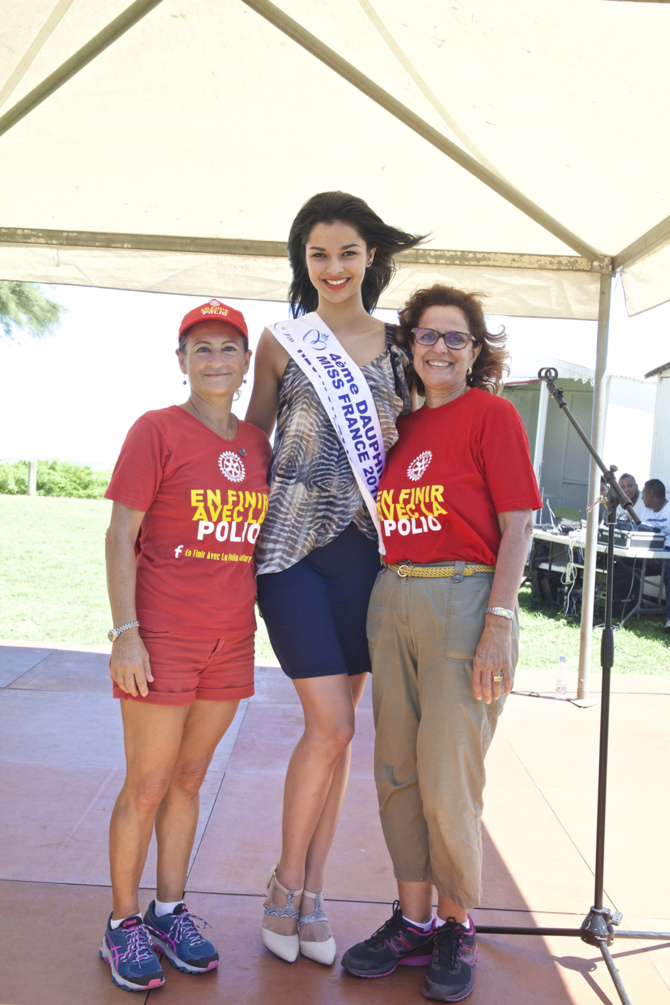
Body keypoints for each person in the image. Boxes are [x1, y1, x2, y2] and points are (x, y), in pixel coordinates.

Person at [341, 285, 542, 1002]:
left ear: (476, 350)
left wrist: (499, 621)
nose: (440, 349)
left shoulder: (492, 414)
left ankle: (457, 923)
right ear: (410, 344)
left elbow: (518, 524)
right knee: (397, 770)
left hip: (465, 596)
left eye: (457, 338)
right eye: (428, 335)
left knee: (449, 776)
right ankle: (413, 919)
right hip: (394, 593)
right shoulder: (397, 427)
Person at [245, 191, 423, 965]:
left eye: (347, 252)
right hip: (289, 553)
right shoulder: (283, 341)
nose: (334, 266)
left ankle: (313, 891)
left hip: (369, 557)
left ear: (371, 257)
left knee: (341, 731)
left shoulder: (402, 345)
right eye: (318, 254)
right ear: (303, 261)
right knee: (331, 723)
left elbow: (421, 448)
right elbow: (250, 439)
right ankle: (285, 883)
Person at [100, 299, 271, 991]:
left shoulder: (256, 444)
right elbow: (120, 534)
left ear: (246, 363)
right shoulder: (156, 429)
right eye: (202, 348)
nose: (216, 360)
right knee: (147, 783)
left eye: (228, 348)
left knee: (190, 778)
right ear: (181, 361)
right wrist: (126, 633)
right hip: (162, 634)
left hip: (230, 637)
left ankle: (169, 911)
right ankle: (121, 923)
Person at [640, 478, 670, 632]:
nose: (642, 497)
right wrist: (649, 554)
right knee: (622, 564)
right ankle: (628, 606)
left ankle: (669, 619)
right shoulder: (646, 511)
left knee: (669, 573)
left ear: (651, 494)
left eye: (644, 494)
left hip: (666, 555)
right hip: (647, 554)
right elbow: (640, 534)